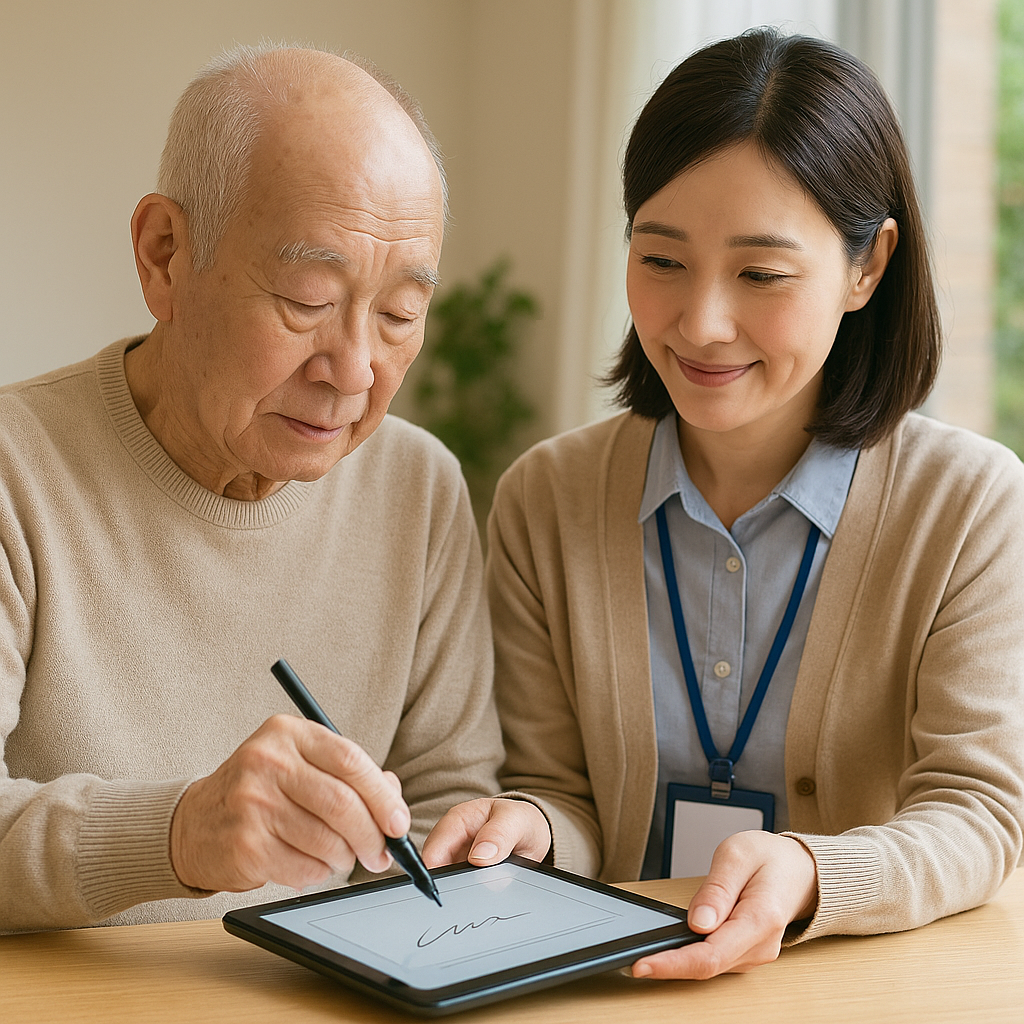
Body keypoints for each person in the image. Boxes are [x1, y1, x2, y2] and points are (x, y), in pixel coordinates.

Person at [423, 28, 1024, 980]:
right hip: (616, 990)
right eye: (661, 261)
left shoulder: (971, 506)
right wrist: (529, 828)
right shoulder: (548, 498)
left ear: (867, 268)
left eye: (760, 274)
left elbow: (980, 813)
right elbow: (560, 793)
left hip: (854, 993)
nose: (701, 323)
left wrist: (813, 872)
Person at [0, 44, 503, 932]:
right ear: (164, 257)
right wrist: (179, 834)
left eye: (398, 316)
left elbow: (444, 811)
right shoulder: (17, 472)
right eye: (309, 299)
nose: (353, 370)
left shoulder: (418, 489)